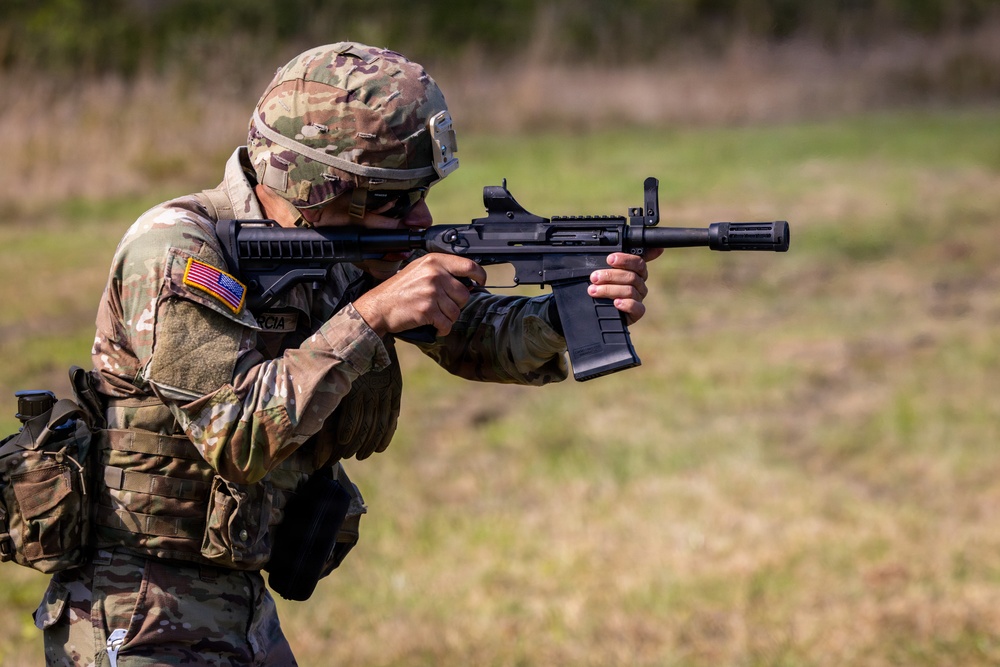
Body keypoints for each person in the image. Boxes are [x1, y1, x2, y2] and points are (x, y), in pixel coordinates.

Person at [32, 42, 661, 666]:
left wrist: (569, 312)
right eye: (396, 201)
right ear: (318, 186)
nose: (422, 218)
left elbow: (475, 335)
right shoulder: (177, 252)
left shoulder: (346, 242)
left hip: (237, 590)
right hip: (136, 601)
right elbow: (238, 433)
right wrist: (372, 315)